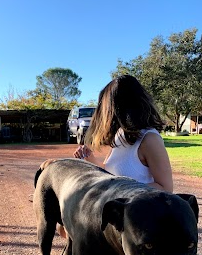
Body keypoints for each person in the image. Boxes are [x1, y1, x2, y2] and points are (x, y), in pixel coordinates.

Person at [58, 75, 173, 238]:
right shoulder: (121, 135)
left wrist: (118, 191)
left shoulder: (150, 139)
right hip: (118, 213)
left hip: (139, 219)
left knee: (76, 231)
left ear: (118, 107)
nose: (103, 113)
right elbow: (112, 173)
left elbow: (166, 188)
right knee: (65, 225)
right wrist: (90, 159)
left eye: (106, 107)